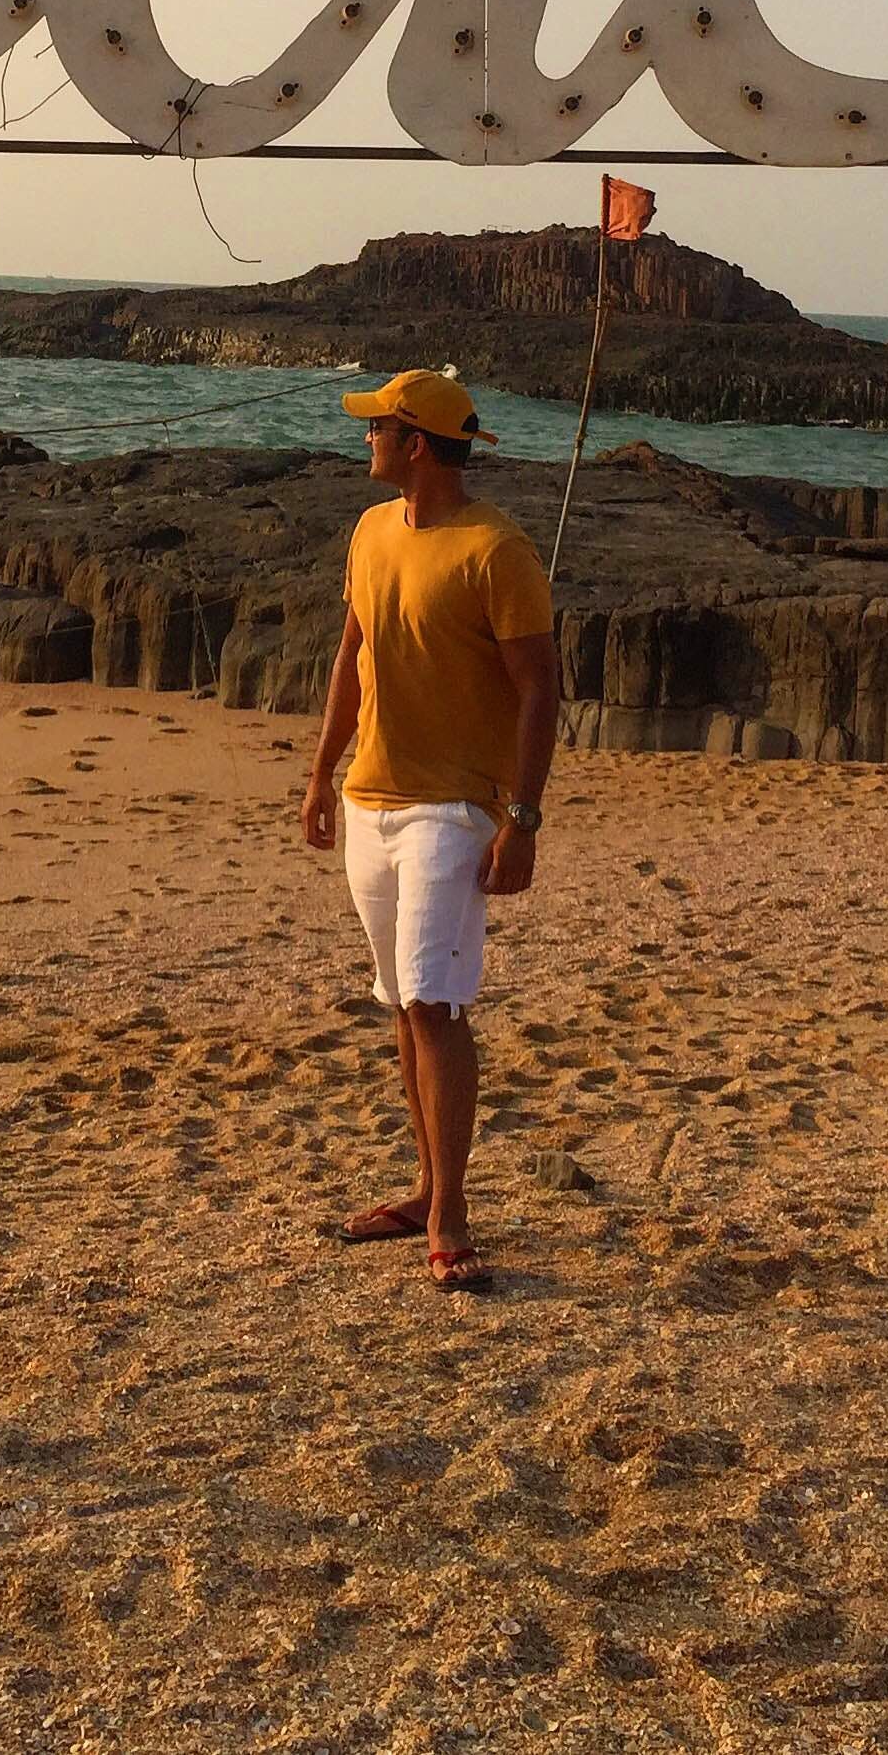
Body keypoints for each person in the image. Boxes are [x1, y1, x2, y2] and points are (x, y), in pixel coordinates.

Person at [299, 368, 558, 1295]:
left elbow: (541, 688)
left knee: (434, 1007)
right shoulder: (370, 532)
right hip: (371, 800)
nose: (364, 440)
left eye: (378, 429)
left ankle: (450, 1214)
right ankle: (424, 1187)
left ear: (416, 444)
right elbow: (351, 655)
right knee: (400, 1001)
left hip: (455, 810)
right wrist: (322, 773)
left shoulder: (499, 550)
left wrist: (521, 819)